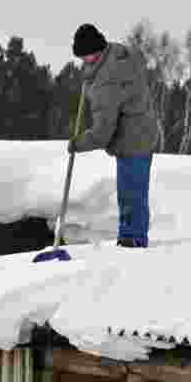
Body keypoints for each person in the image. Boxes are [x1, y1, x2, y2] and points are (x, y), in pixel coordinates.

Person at [68, 23, 159, 248]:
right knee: (133, 194)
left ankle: (132, 241)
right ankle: (132, 237)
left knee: (130, 195)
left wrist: (77, 144)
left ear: (96, 51)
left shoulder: (106, 80)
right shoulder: (119, 54)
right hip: (143, 132)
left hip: (133, 140)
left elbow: (101, 134)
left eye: (86, 56)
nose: (84, 61)